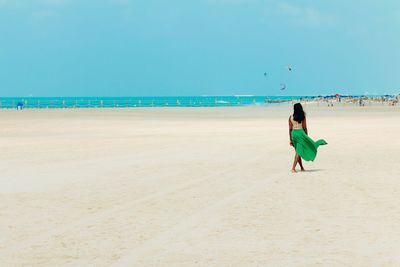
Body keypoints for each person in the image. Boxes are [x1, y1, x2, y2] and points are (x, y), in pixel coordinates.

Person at [288, 103, 327, 173]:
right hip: (301, 134)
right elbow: (305, 127)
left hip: (294, 134)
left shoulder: (290, 117)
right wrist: (306, 136)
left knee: (298, 151)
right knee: (298, 152)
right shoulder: (303, 116)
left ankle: (302, 168)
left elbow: (290, 129)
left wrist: (290, 139)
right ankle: (293, 168)